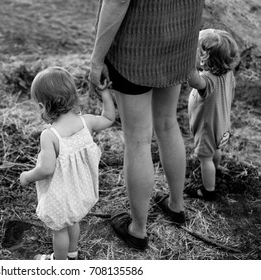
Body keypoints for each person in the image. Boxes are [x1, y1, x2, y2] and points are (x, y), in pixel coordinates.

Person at [89, 0, 204, 251]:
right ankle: (176, 206)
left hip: (134, 49)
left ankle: (137, 230)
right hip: (179, 40)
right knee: (167, 123)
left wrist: (97, 61)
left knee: (138, 140)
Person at [19, 67, 115, 260]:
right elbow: (109, 117)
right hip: (80, 191)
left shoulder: (50, 135)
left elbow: (46, 169)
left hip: (60, 194)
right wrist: (105, 93)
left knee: (59, 230)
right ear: (72, 96)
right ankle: (73, 253)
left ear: (43, 106)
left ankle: (58, 262)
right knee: (73, 220)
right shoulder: (86, 122)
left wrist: (27, 176)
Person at [185, 29, 239, 201]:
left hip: (207, 128)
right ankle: (214, 170)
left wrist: (184, 59)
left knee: (205, 157)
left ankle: (208, 190)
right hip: (222, 126)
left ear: (204, 57)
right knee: (215, 150)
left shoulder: (207, 81)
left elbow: (191, 78)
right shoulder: (228, 74)